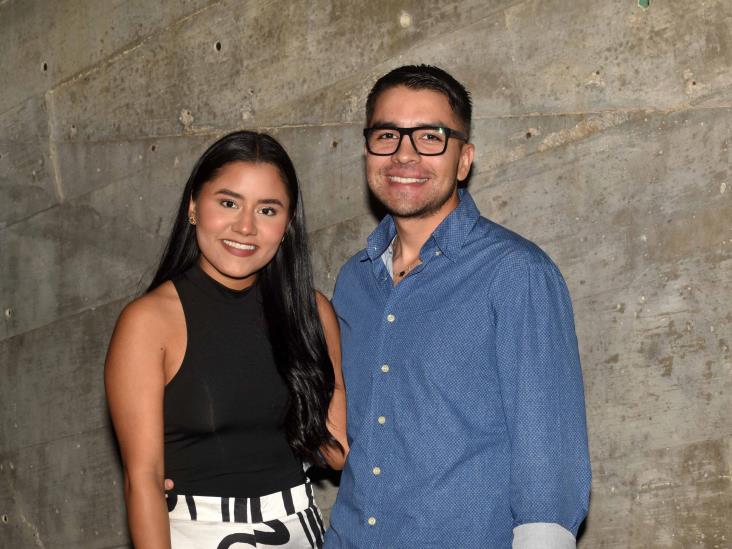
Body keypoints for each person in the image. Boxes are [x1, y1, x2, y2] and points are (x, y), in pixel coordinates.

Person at [324, 65, 591, 548]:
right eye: (387, 135)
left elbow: (548, 465)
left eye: (430, 137)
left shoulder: (515, 274)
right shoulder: (353, 281)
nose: (405, 154)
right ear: (368, 151)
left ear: (463, 159)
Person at [105, 131, 347, 549]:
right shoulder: (148, 322)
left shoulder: (313, 312)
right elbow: (142, 479)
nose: (246, 226)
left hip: (298, 529)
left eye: (267, 209)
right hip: (194, 533)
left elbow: (338, 452)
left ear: (288, 225)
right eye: (228, 202)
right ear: (194, 207)